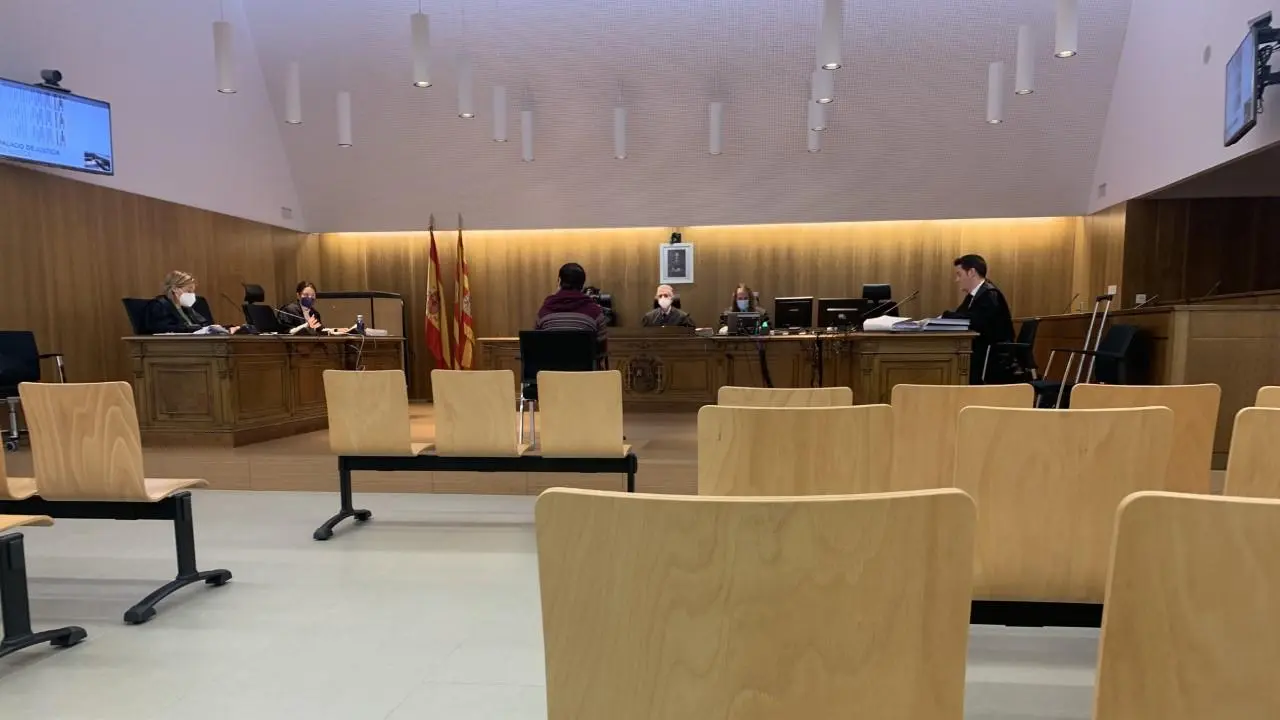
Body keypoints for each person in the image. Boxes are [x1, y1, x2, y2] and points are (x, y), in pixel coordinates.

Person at [943, 254, 1015, 384]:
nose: (957, 280)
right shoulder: (974, 295)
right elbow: (960, 315)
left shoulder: (989, 294)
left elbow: (974, 321)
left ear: (971, 272)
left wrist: (946, 315)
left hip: (991, 356)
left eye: (959, 274)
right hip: (980, 350)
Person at [535, 262, 608, 353]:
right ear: (582, 285)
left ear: (559, 281)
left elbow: (537, 345)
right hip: (584, 362)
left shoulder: (544, 311)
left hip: (549, 362)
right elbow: (602, 349)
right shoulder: (595, 312)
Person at [142, 271, 238, 335]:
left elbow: (205, 326)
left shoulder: (187, 308)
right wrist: (193, 329)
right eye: (188, 291)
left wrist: (225, 328)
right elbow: (162, 328)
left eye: (193, 291)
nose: (192, 295)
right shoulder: (158, 305)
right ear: (175, 289)